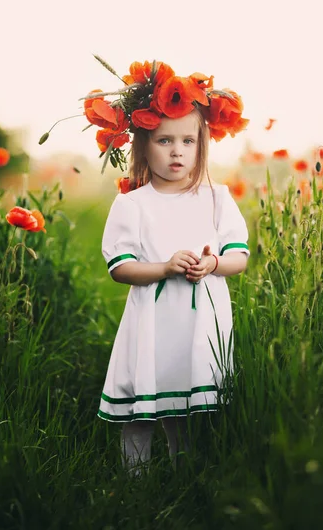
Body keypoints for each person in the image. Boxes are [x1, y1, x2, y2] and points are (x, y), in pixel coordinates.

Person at [98, 105, 250, 477]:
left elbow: (239, 257)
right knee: (145, 392)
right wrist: (164, 268)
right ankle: (136, 479)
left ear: (201, 146)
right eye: (164, 140)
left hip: (199, 322)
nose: (177, 150)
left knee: (181, 397)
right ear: (143, 147)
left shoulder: (217, 198)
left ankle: (183, 473)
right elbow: (121, 268)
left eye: (188, 140)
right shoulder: (132, 204)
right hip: (154, 320)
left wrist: (212, 264)